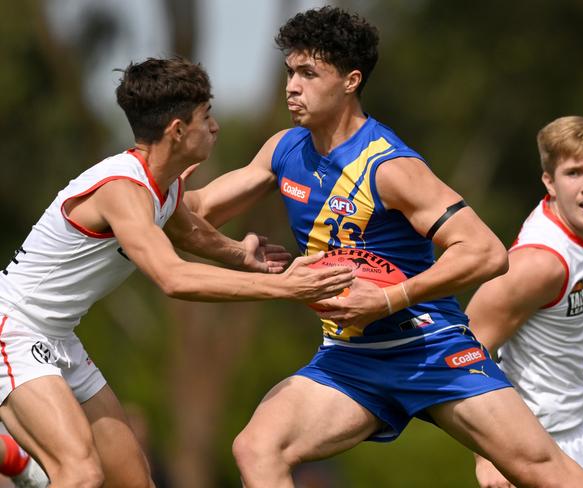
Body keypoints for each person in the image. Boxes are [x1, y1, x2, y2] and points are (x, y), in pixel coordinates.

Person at [187, 7, 583, 487]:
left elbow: (486, 252)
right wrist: (146, 181)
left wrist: (388, 298)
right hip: (352, 359)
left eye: (308, 73)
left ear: (350, 81)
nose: (291, 86)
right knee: (258, 447)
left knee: (543, 471)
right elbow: (197, 210)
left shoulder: (389, 166)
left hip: (430, 348)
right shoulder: (285, 149)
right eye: (289, 72)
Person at [0, 57, 354, 488]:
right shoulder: (122, 190)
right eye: (207, 117)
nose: (215, 127)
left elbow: (189, 231)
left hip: (58, 337)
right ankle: (21, 465)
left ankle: (20, 463)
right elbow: (173, 277)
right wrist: (283, 287)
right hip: (13, 328)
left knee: (134, 481)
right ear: (178, 131)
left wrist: (241, 255)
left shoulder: (162, 184)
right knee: (80, 474)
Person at [467, 116, 583, 487]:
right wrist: (487, 456)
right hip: (535, 437)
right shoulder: (539, 264)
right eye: (573, 173)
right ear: (549, 182)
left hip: (581, 408)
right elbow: (460, 347)